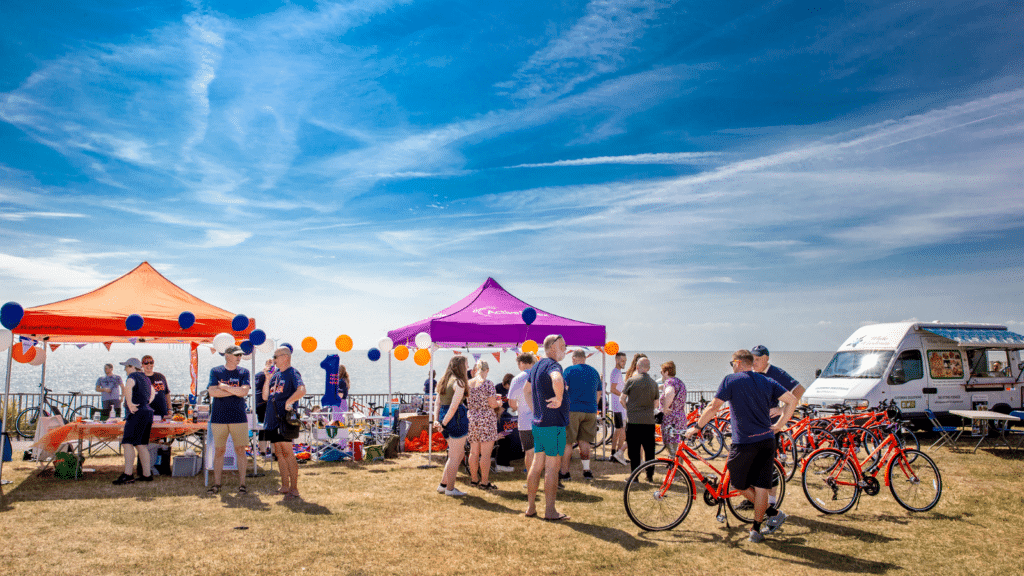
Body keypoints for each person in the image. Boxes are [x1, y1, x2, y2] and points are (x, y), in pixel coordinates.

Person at [686, 349, 798, 543]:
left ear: (737, 363)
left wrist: (697, 427)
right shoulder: (767, 381)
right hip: (767, 440)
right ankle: (757, 528)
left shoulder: (731, 380)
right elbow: (793, 400)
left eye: (732, 364)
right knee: (762, 486)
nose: (732, 367)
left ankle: (772, 514)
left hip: (745, 442)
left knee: (737, 483)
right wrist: (779, 425)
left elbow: (713, 407)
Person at [751, 344, 802, 509]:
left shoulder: (776, 373)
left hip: (770, 427)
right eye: (752, 359)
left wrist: (782, 410)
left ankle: (772, 502)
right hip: (754, 426)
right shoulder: (753, 374)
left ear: (766, 359)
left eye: (757, 359)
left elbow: (799, 390)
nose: (754, 362)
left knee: (769, 465)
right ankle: (754, 499)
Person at [525, 334, 570, 521]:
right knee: (552, 467)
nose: (565, 349)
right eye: (562, 345)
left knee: (536, 465)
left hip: (540, 423)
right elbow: (557, 379)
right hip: (553, 425)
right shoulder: (553, 365)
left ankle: (531, 507)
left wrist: (536, 411)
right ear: (552, 347)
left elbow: (526, 391)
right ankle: (550, 511)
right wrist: (559, 398)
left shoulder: (536, 366)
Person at [206, 345, 251, 494]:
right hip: (219, 417)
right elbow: (212, 392)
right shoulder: (216, 371)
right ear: (227, 355)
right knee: (219, 450)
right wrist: (235, 391)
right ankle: (217, 484)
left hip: (239, 417)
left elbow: (244, 392)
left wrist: (224, 387)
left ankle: (242, 484)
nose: (239, 357)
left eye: (240, 355)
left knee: (240, 450)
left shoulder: (244, 372)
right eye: (236, 355)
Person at [263, 346, 306, 499]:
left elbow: (302, 390)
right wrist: (267, 378)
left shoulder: (292, 373)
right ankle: (285, 486)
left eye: (276, 356)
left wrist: (289, 401)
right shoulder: (275, 375)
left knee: (288, 452)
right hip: (272, 418)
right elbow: (265, 397)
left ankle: (294, 488)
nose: (274, 359)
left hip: (284, 420)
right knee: (279, 453)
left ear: (285, 357)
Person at [113, 358, 155, 485]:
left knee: (127, 443)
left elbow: (128, 387)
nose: (125, 369)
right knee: (141, 444)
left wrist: (130, 403)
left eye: (126, 367)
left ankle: (128, 475)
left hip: (136, 413)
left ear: (132, 367)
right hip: (147, 412)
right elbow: (153, 392)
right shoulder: (146, 378)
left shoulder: (132, 376)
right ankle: (147, 475)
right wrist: (146, 403)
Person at [560, 349, 601, 481]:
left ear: (573, 358)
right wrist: (594, 405)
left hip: (573, 410)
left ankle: (565, 472)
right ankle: (587, 471)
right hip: (590, 410)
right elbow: (599, 392)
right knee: (585, 441)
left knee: (567, 442)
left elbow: (563, 390)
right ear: (585, 358)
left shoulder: (569, 370)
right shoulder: (594, 371)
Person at [432, 356, 470, 497]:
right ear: (460, 366)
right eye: (466, 364)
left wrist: (437, 421)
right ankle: (450, 488)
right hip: (456, 419)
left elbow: (437, 403)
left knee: (457, 454)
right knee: (455, 456)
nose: (467, 367)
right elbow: (454, 406)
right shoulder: (459, 382)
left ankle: (443, 485)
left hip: (444, 417)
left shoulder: (443, 380)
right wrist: (443, 423)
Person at [619, 357, 659, 478]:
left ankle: (634, 476)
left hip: (634, 421)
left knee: (634, 450)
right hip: (649, 421)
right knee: (649, 450)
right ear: (649, 368)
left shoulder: (631, 381)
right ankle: (650, 475)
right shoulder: (654, 383)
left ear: (637, 367)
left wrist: (629, 409)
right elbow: (656, 404)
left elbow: (622, 399)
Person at [466, 360, 502, 490]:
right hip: (486, 420)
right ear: (487, 370)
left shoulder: (468, 383)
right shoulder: (488, 384)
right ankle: (484, 482)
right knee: (485, 454)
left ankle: (474, 479)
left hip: (472, 419)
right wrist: (499, 404)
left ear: (475, 370)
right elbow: (492, 404)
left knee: (474, 452)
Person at [507, 353, 536, 475]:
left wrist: (519, 407)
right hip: (543, 420)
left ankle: (531, 478)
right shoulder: (541, 375)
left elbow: (512, 404)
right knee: (543, 451)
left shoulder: (517, 379)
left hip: (525, 421)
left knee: (529, 452)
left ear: (522, 363)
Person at [659, 361, 688, 455]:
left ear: (666, 372)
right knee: (678, 447)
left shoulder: (670, 382)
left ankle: (673, 462)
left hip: (671, 419)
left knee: (672, 447)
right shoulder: (679, 382)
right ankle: (678, 463)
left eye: (661, 372)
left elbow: (669, 392)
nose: (661, 374)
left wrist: (665, 408)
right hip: (680, 417)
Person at [610, 352, 628, 465]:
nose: (624, 363)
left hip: (618, 407)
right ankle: (618, 455)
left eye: (625, 361)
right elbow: (612, 389)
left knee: (617, 430)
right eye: (622, 361)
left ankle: (614, 453)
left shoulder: (617, 372)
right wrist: (623, 396)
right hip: (619, 407)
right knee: (622, 431)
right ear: (616, 360)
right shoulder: (616, 372)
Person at [254, 358, 273, 458]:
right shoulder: (261, 375)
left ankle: (265, 451)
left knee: (265, 428)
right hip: (263, 403)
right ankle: (264, 451)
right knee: (264, 427)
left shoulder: (258, 375)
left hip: (261, 403)